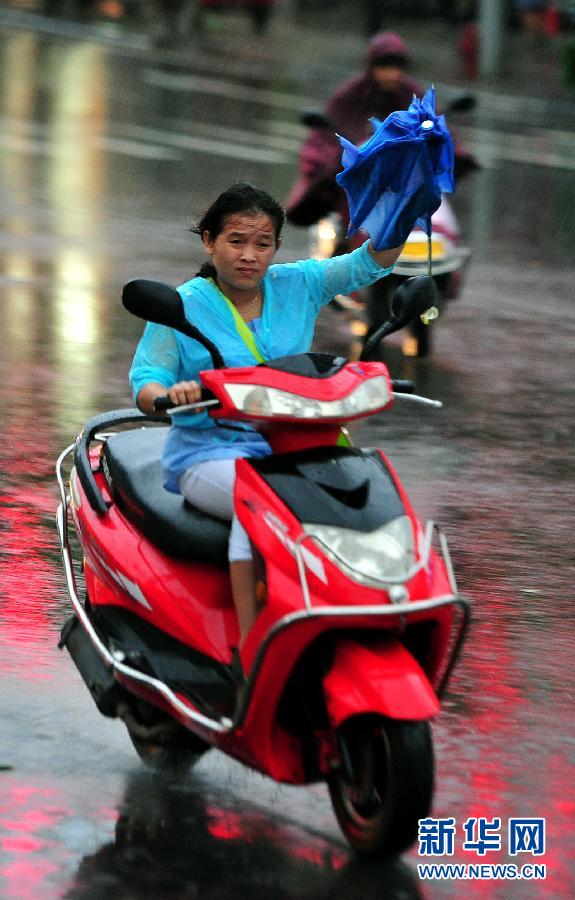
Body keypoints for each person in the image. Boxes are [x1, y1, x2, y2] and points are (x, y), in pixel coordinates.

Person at [129, 183, 404, 673]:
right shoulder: (183, 305)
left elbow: (369, 263)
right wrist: (172, 397)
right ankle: (254, 648)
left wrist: (409, 204)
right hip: (209, 454)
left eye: (262, 244)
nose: (249, 256)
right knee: (262, 505)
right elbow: (146, 380)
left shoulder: (297, 284)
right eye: (236, 241)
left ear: (277, 247)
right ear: (209, 242)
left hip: (296, 448)